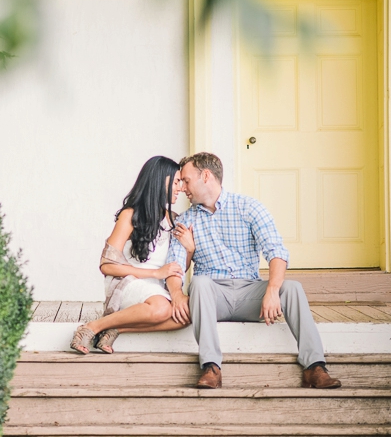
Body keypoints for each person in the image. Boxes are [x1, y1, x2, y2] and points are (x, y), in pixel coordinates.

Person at [164, 152, 341, 389]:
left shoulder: (249, 208)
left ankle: (315, 367)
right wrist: (177, 295)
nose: (183, 187)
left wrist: (273, 290)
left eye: (186, 180)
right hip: (213, 296)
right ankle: (211, 367)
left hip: (250, 293)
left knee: (293, 288)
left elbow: (276, 251)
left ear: (205, 176)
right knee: (200, 283)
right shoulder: (186, 220)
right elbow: (174, 267)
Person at [69, 156, 189, 354]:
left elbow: (178, 268)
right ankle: (92, 327)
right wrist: (156, 273)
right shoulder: (130, 215)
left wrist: (189, 248)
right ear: (161, 181)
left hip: (156, 288)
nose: (181, 188)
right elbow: (106, 265)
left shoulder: (174, 220)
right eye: (176, 182)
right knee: (162, 309)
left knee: (186, 315)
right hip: (126, 281)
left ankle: (115, 328)